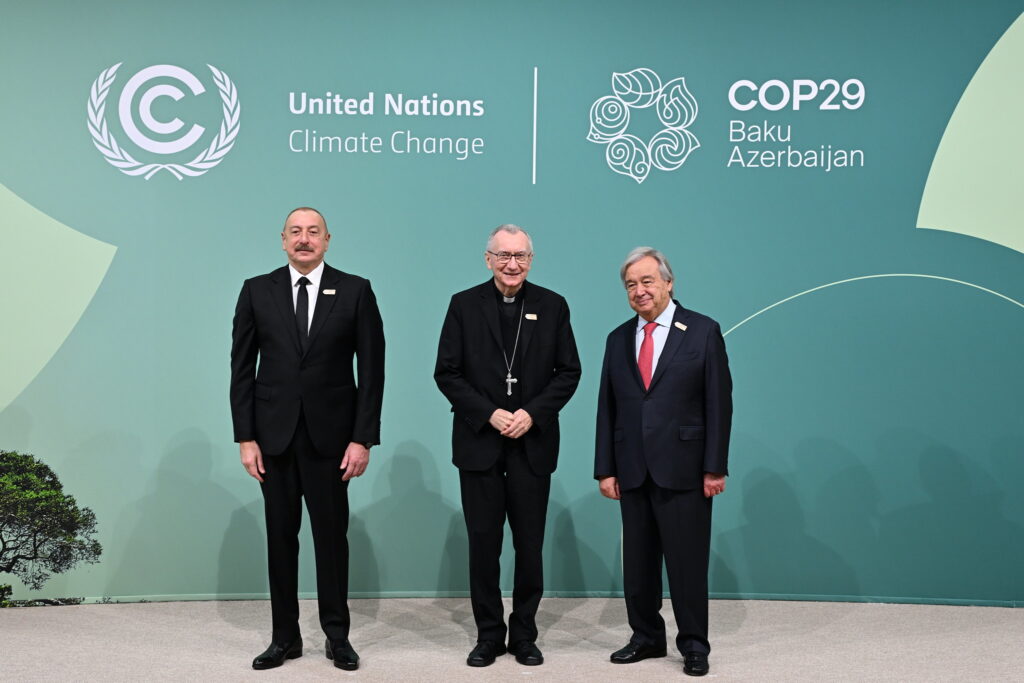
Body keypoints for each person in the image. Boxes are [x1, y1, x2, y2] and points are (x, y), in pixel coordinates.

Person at [230, 207, 384, 671]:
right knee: (281, 538)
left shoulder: (356, 291)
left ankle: (338, 637)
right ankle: (285, 638)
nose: (304, 239)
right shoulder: (257, 290)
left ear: (328, 240)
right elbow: (241, 370)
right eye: (295, 232)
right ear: (282, 240)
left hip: (333, 442)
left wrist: (363, 439)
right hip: (272, 440)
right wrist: (245, 438)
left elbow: (372, 371)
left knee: (331, 540)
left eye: (312, 232)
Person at [434, 224, 581, 667]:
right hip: (480, 442)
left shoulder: (552, 306)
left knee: (529, 544)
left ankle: (524, 634)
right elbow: (447, 372)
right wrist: (489, 413)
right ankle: (488, 635)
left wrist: (532, 413)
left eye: (520, 256)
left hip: (531, 443)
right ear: (487, 259)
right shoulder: (463, 305)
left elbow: (568, 372)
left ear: (531, 260)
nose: (511, 264)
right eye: (503, 256)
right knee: (483, 543)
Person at [594, 246, 732, 677]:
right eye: (631, 284)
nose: (640, 291)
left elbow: (718, 405)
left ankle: (693, 644)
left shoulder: (703, 332)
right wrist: (606, 468)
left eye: (647, 281)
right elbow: (607, 408)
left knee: (687, 565)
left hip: (686, 470)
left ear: (669, 282)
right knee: (638, 564)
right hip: (632, 467)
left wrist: (715, 466)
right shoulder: (617, 338)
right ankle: (646, 637)